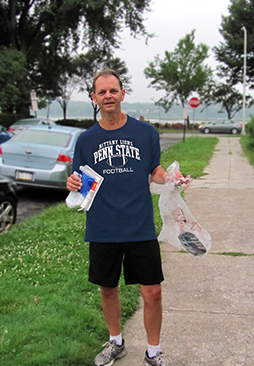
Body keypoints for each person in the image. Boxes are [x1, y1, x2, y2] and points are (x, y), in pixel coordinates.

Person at [67, 68, 183, 366]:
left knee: (153, 291)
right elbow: (79, 180)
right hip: (103, 226)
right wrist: (72, 183)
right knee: (108, 289)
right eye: (101, 92)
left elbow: (155, 172)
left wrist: (170, 177)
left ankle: (153, 352)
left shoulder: (146, 133)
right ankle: (115, 342)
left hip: (139, 225)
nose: (108, 96)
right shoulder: (85, 140)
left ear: (122, 94)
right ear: (94, 98)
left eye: (113, 90)